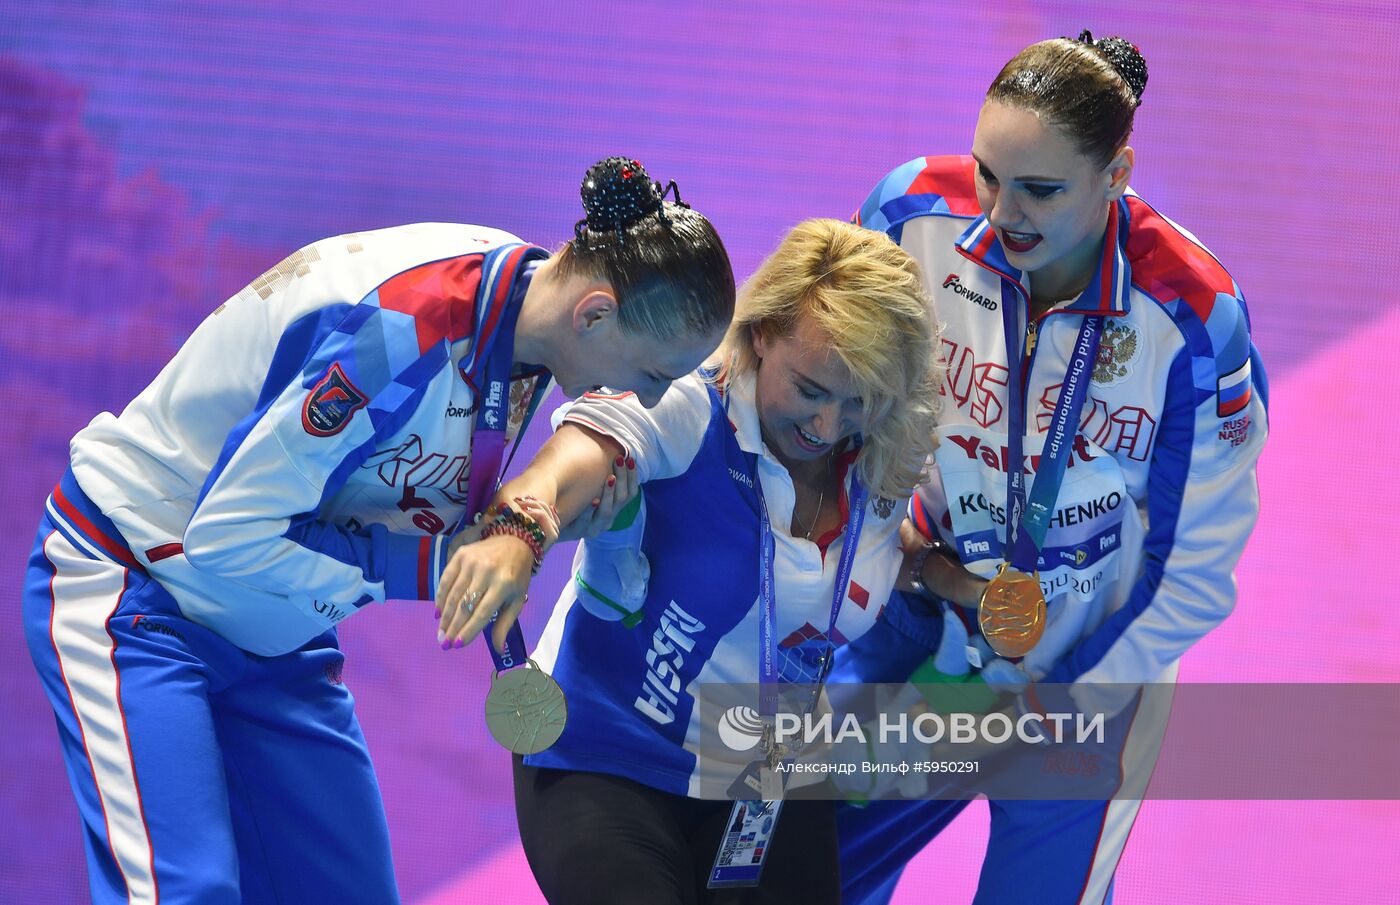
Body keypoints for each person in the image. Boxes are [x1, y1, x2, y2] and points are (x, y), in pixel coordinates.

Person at [21, 156, 735, 904]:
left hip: (272, 636)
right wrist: (433, 567)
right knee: (182, 892)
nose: (647, 398)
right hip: (139, 594)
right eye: (654, 374)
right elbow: (227, 535)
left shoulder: (523, 316)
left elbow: (400, 480)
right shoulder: (397, 333)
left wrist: (503, 544)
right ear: (594, 313)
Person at [834, 32, 1269, 905]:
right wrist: (889, 559)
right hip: (911, 617)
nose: (1001, 214)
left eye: (1040, 189)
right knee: (806, 875)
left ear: (1117, 173)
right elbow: (830, 409)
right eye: (989, 173)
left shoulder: (1192, 315)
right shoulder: (910, 214)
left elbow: (1194, 565)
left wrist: (1071, 693)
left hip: (1089, 661)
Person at [434, 218, 942, 904]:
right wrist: (518, 528)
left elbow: (853, 567)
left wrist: (945, 576)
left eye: (857, 400)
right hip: (606, 755)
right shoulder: (686, 401)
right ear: (763, 332)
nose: (827, 426)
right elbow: (581, 455)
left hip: (765, 776)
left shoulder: (882, 451)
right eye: (811, 389)